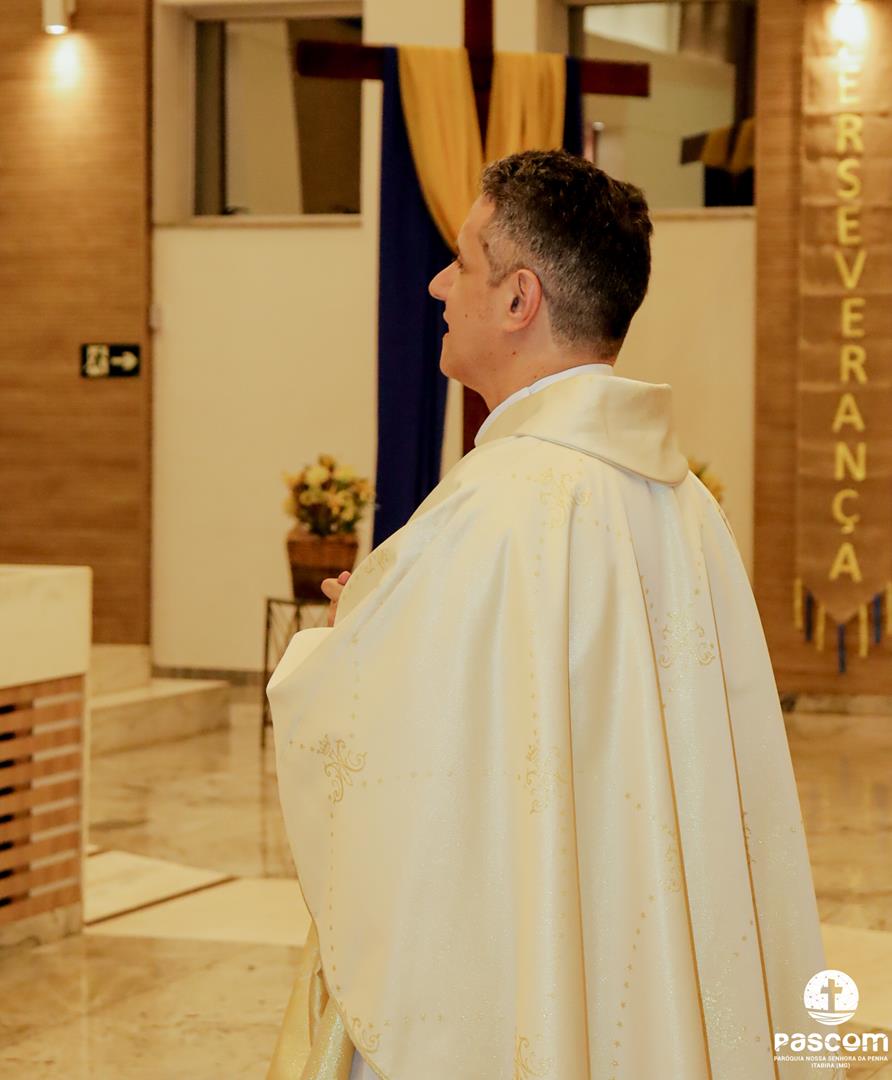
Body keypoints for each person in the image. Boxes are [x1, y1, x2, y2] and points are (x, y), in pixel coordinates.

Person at [267, 150, 834, 1080]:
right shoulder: (684, 500)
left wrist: (342, 646)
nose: (438, 284)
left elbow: (392, 757)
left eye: (461, 261)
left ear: (518, 298)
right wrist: (389, 624)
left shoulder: (498, 502)